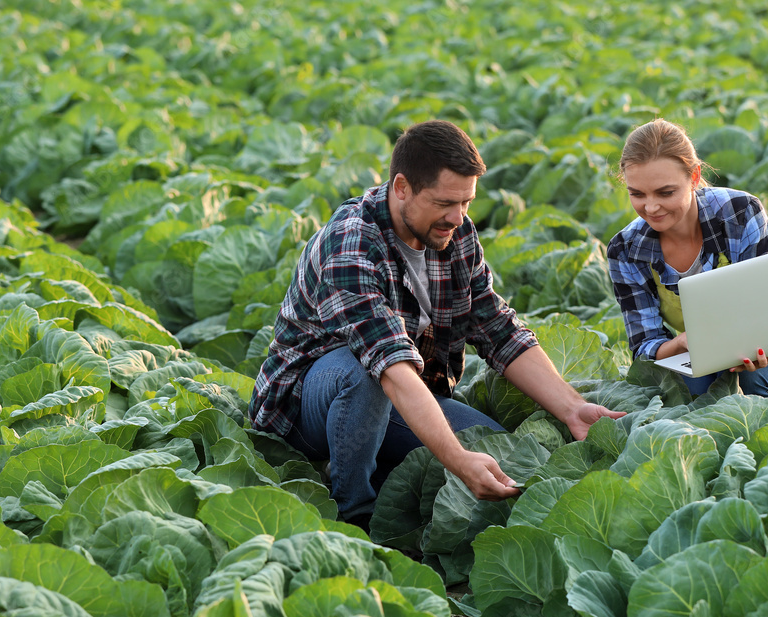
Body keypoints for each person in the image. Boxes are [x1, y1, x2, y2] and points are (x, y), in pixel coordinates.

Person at [249, 120, 625, 529]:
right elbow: (389, 366)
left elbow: (496, 327)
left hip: (398, 396)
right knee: (364, 371)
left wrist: (572, 408)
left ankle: (379, 468)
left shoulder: (454, 233)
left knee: (498, 453)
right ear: (401, 188)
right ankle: (352, 514)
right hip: (310, 408)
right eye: (445, 202)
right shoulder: (351, 244)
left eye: (466, 202)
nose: (457, 217)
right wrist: (457, 460)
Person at [607, 118, 768, 417]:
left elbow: (766, 315)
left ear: (694, 177)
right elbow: (644, 346)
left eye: (665, 193)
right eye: (637, 194)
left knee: (749, 376)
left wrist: (757, 342)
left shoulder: (741, 212)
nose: (651, 207)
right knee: (695, 385)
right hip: (702, 356)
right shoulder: (625, 249)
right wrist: (682, 342)